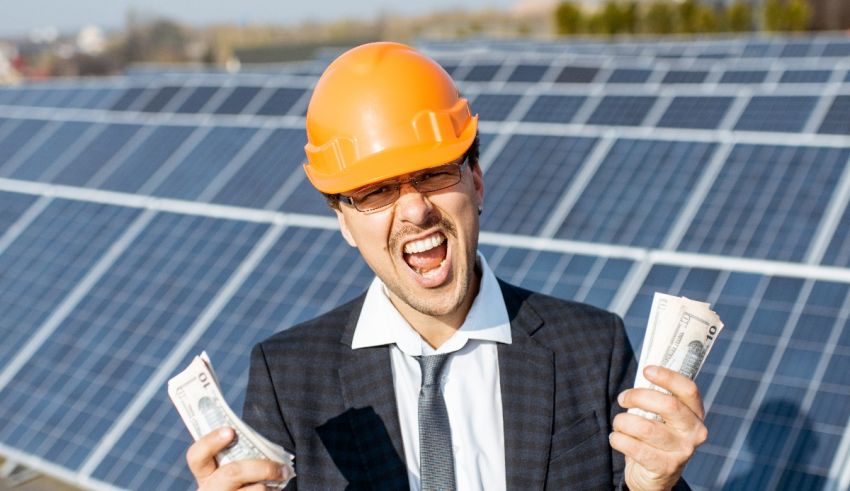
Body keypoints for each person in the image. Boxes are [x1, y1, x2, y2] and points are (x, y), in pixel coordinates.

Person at [186, 42, 707, 490]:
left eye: (434, 174)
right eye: (377, 192)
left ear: (476, 181)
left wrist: (653, 487)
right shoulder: (290, 379)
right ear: (343, 221)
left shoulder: (592, 350)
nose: (414, 209)